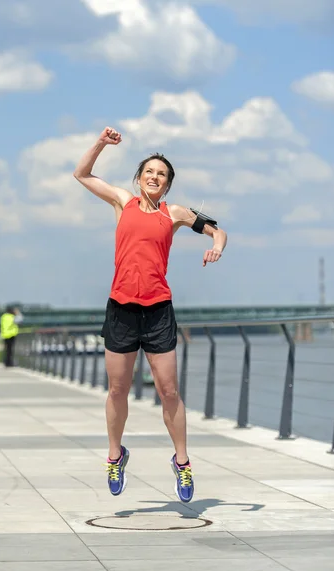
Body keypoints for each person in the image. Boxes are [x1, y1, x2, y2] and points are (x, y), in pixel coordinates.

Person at [73, 127, 227, 503]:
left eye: (162, 174)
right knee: (117, 389)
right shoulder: (121, 202)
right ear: (139, 179)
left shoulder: (172, 213)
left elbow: (216, 231)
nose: (154, 177)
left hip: (158, 311)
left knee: (169, 391)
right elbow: (82, 174)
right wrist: (101, 144)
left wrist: (216, 247)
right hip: (121, 309)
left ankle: (182, 462)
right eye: (149, 172)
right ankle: (115, 455)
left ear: (167, 184)